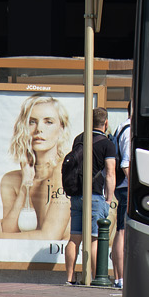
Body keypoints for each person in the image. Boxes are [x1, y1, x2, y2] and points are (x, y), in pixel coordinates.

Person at [0, 95, 72, 240]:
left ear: (61, 128)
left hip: (59, 260)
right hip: (21, 259)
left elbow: (50, 236)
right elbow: (10, 229)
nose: (39, 129)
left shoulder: (63, 170)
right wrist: (24, 187)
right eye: (32, 122)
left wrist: (1, 236)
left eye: (48, 122)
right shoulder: (11, 180)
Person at [64, 108, 117, 286]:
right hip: (95, 196)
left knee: (74, 238)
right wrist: (109, 199)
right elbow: (110, 173)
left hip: (77, 195)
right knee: (95, 239)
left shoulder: (79, 139)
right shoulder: (107, 144)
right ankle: (97, 277)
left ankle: (69, 278)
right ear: (106, 123)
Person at [111, 116, 131, 291]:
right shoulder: (130, 129)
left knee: (121, 231)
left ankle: (119, 277)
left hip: (121, 187)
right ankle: (121, 278)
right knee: (122, 231)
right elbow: (126, 164)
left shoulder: (121, 127)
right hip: (126, 188)